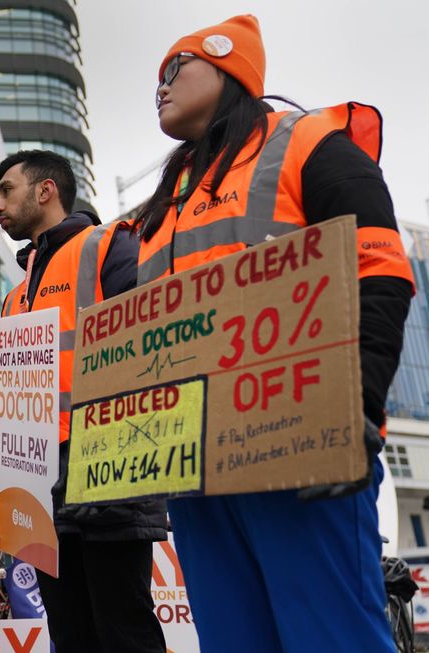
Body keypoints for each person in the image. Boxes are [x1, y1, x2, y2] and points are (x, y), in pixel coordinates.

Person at [138, 15, 414, 652]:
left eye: (175, 68)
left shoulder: (305, 141)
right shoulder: (168, 199)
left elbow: (380, 271)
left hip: (300, 448)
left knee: (332, 639)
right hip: (196, 469)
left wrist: (357, 411)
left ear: (229, 68)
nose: (160, 87)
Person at [0, 150, 167, 652]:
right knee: (71, 636)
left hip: (106, 473)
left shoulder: (109, 247)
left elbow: (154, 346)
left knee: (125, 631)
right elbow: (9, 404)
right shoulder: (17, 298)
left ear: (45, 190)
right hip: (36, 489)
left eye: (5, 190)